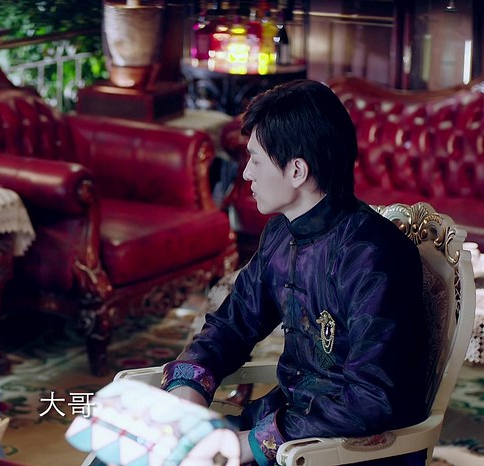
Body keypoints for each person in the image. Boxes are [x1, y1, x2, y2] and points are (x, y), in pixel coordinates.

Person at [162, 80, 429, 465]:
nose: (246, 174)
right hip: (288, 427)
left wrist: (252, 443)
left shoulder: (373, 255)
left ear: (297, 170)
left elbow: (372, 399)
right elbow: (234, 323)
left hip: (348, 450)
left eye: (256, 160)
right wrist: (190, 384)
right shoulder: (281, 232)